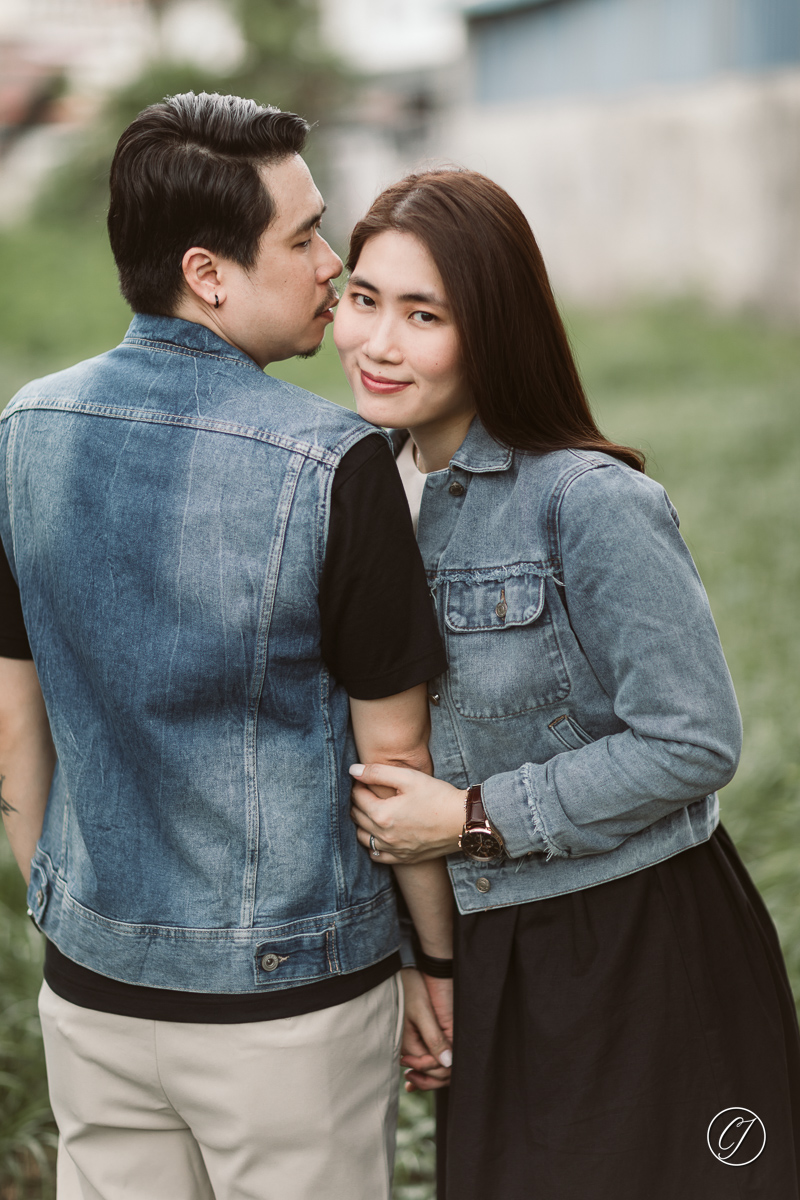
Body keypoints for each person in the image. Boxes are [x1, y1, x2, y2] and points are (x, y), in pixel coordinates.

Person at [0, 93, 455, 1200]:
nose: (331, 265)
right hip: (288, 1008)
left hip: (91, 985)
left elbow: (15, 719)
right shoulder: (340, 462)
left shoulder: (25, 428)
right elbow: (391, 765)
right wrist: (432, 959)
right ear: (208, 273)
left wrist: (81, 917)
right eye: (302, 237)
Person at [333, 167, 800, 1198]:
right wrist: (427, 959)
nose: (378, 341)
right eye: (362, 299)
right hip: (485, 947)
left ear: (491, 327)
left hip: (628, 940)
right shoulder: (351, 488)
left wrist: (468, 816)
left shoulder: (585, 503)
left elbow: (692, 740)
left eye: (423, 314)